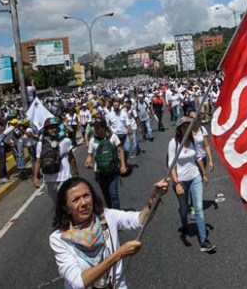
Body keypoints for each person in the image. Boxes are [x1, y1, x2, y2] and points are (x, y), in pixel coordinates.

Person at [49, 176, 169, 289]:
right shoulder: (59, 238)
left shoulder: (107, 216)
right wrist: (119, 254)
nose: (84, 203)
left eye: (86, 195)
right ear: (66, 208)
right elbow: (79, 282)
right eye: (75, 200)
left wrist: (154, 198)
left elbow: (139, 220)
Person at [168, 120, 216, 252]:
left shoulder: (193, 140)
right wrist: (176, 182)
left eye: (189, 126)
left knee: (198, 208)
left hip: (195, 177)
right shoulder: (174, 143)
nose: (187, 128)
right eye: (184, 127)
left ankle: (203, 240)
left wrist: (204, 174)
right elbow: (171, 164)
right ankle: (184, 224)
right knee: (184, 209)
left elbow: (198, 158)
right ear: (180, 129)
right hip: (181, 180)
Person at [33, 117, 79, 206]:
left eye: (55, 127)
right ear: (46, 130)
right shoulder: (40, 144)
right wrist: (35, 177)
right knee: (58, 205)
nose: (54, 129)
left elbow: (71, 158)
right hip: (49, 180)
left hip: (65, 178)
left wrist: (76, 173)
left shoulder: (66, 141)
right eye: (51, 128)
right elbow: (38, 161)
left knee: (69, 203)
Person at [85, 118, 127, 209]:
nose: (95, 129)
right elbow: (90, 154)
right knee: (106, 194)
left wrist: (123, 165)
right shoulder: (93, 140)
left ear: (103, 127)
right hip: (99, 172)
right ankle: (111, 213)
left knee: (113, 194)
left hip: (112, 170)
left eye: (97, 127)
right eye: (94, 127)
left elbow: (120, 150)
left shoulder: (113, 137)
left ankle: (117, 214)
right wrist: (88, 162)